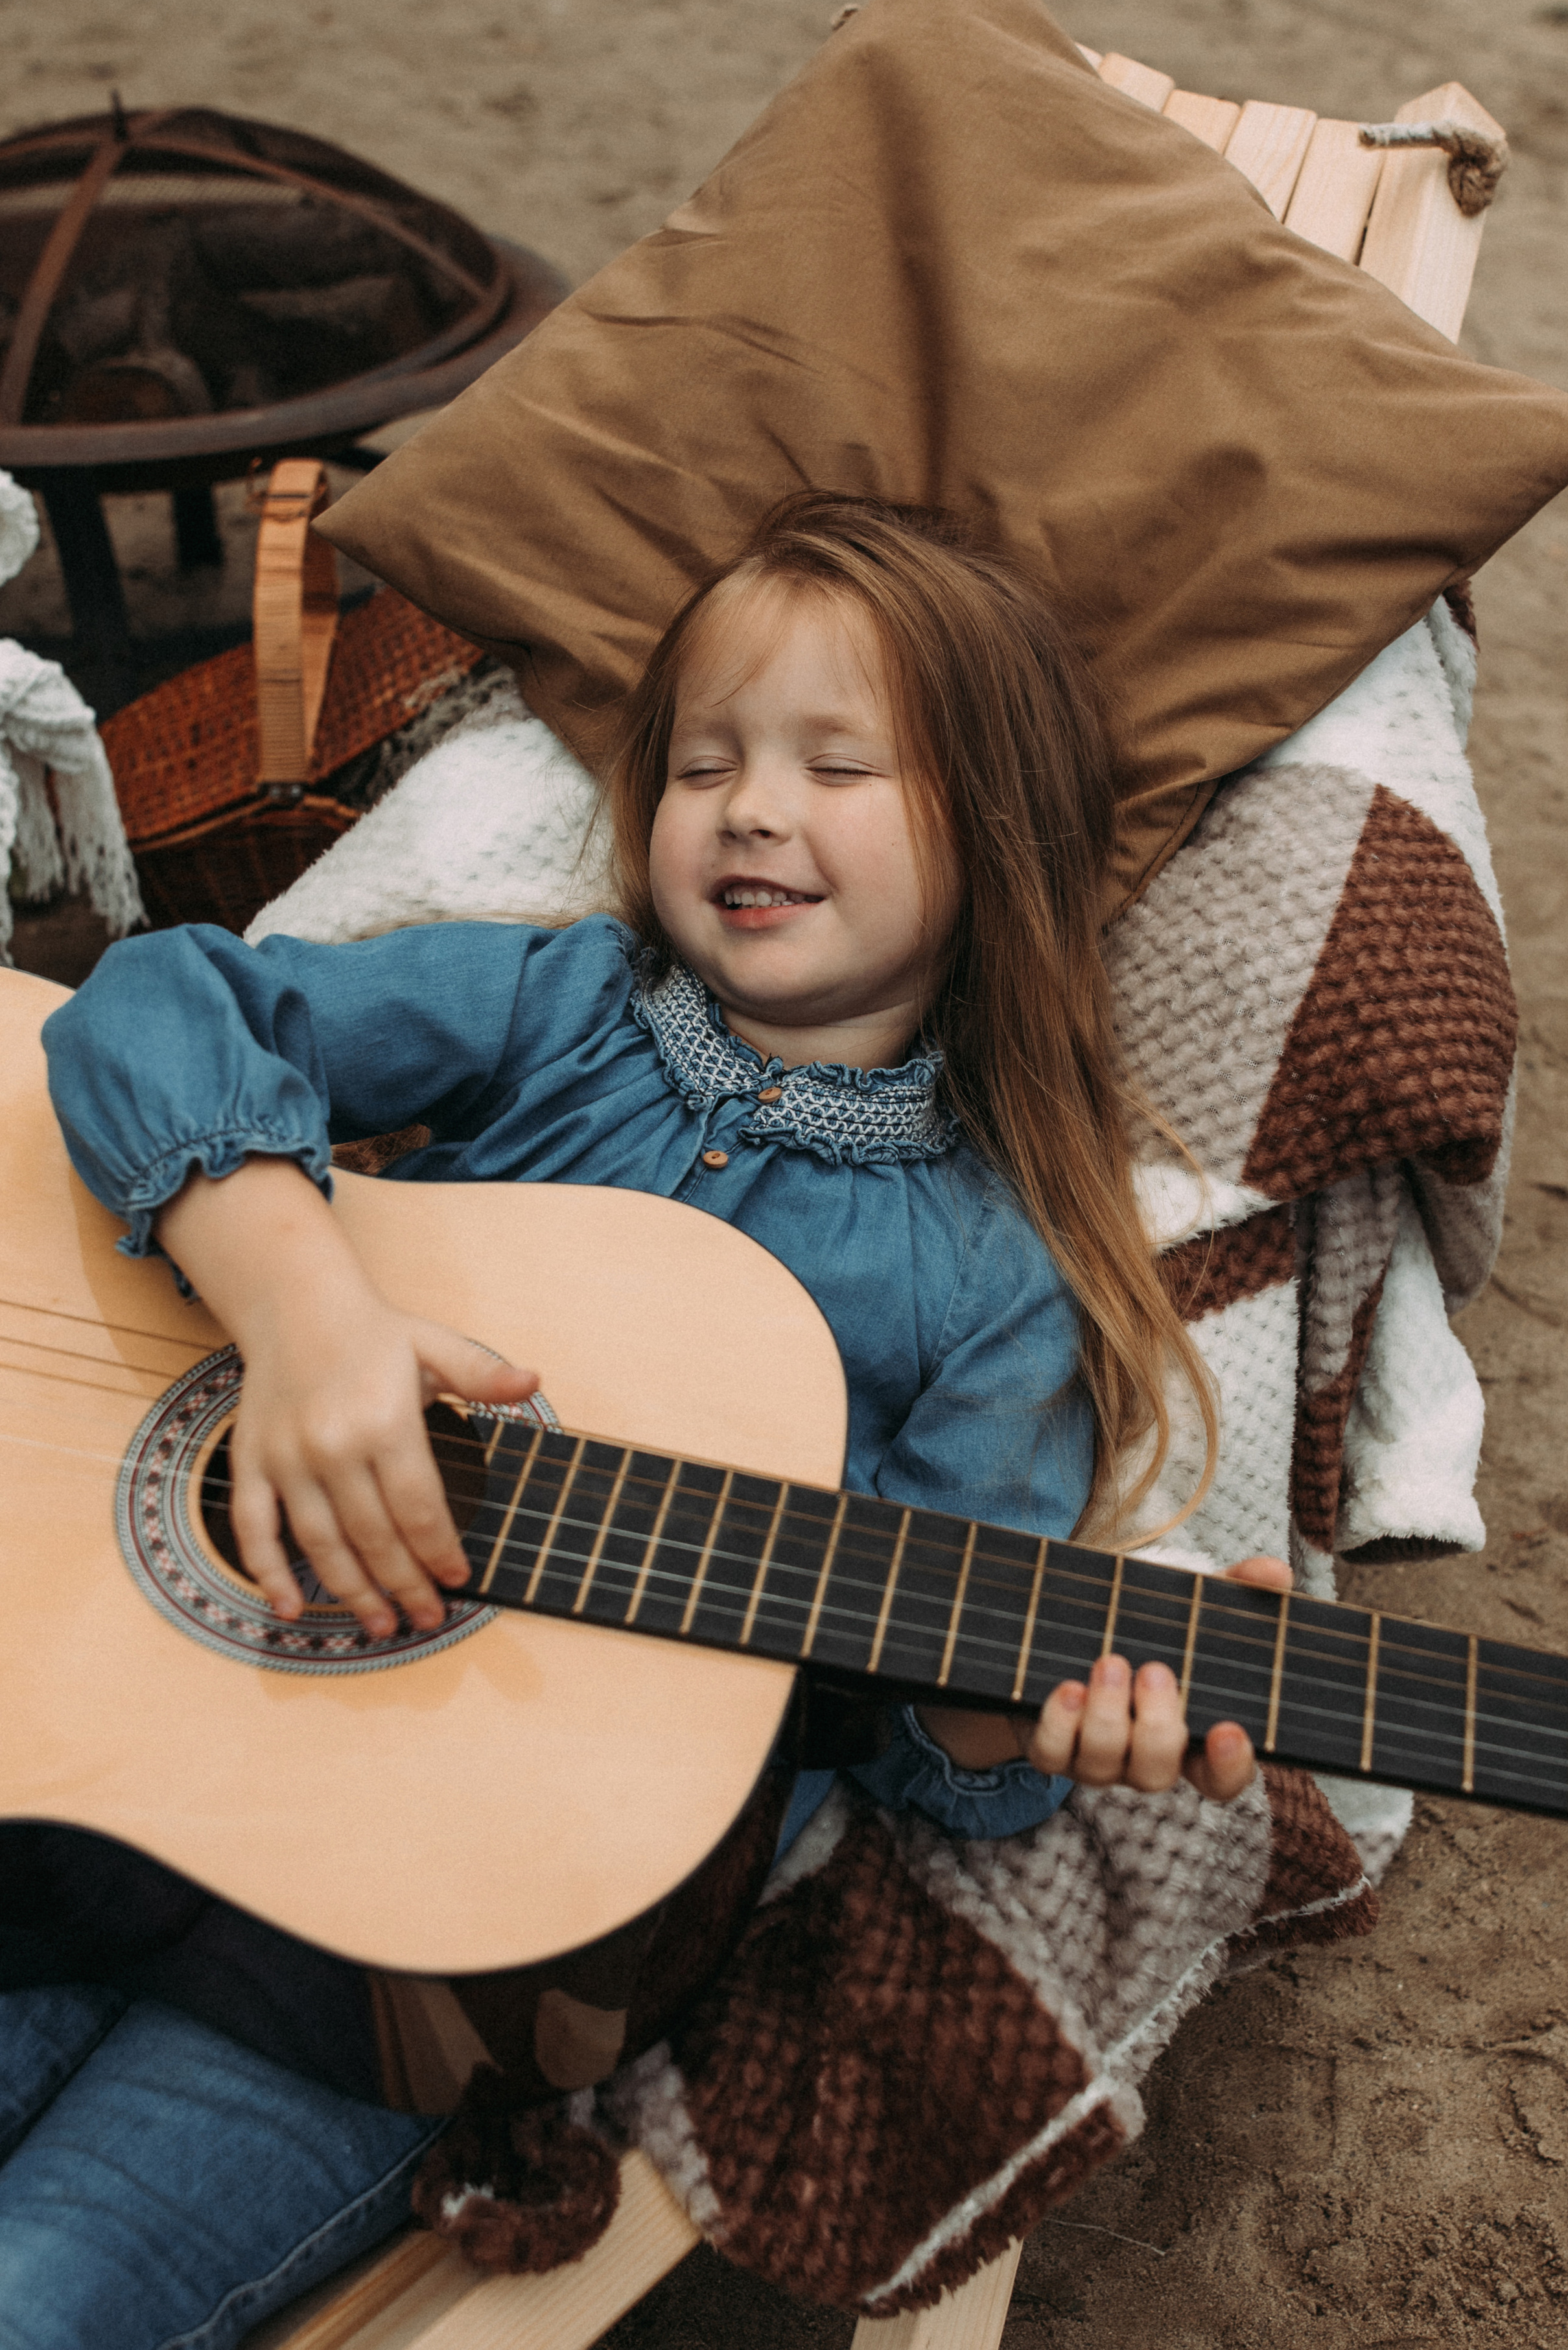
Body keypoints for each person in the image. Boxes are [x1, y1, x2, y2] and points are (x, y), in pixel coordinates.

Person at [13, 494, 1288, 2350]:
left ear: (996, 831)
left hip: (388, 1964)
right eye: (706, 762)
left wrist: (1019, 1708)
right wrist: (299, 1307)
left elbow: (916, 1728)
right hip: (74, 1728)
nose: (751, 805)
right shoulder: (558, 1010)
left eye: (835, 762)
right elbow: (150, 999)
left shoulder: (997, 1286)